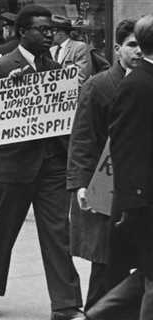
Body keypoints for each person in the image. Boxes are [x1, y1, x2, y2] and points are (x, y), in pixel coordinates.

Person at [0, 5, 83, 320]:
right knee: (3, 233)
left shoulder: (56, 67)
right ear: (23, 31)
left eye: (51, 29)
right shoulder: (3, 66)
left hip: (52, 166)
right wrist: (11, 89)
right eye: (42, 29)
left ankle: (65, 304)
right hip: (14, 166)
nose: (49, 34)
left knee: (58, 234)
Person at [67, 19, 142, 311]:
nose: (137, 52)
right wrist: (81, 184)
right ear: (117, 48)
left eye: (142, 46)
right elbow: (83, 139)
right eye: (131, 45)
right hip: (106, 189)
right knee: (106, 266)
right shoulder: (98, 86)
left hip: (141, 191)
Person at [100, 14, 153, 320]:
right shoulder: (137, 84)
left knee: (148, 270)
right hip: (145, 201)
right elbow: (125, 149)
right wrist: (132, 204)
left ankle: (98, 314)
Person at [49, 15, 92, 82]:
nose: (50, 35)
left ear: (61, 34)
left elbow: (82, 76)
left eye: (53, 32)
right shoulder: (52, 50)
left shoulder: (79, 47)